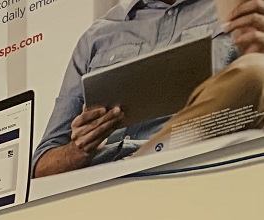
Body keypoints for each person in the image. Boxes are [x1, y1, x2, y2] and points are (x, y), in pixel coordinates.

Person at [34, 0, 264, 178]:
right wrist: (80, 149)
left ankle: (152, 157)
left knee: (254, 70)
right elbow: (42, 166)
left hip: (200, 163)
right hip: (107, 180)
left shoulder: (241, 9)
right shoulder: (97, 36)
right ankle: (145, 160)